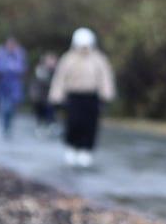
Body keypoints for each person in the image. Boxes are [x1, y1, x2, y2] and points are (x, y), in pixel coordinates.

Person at [49, 27, 115, 168]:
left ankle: (86, 150)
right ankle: (71, 148)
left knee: (90, 125)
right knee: (73, 123)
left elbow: (105, 78)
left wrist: (106, 95)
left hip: (91, 97)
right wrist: (56, 96)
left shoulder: (98, 59)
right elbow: (60, 78)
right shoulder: (68, 58)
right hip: (74, 96)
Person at [0, 37, 28, 139]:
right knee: (4, 108)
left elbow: (22, 68)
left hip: (15, 85)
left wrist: (10, 68)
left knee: (11, 109)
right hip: (3, 85)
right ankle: (5, 127)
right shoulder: (1, 54)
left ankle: (9, 126)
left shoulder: (19, 55)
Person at [30, 52, 59, 135]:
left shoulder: (57, 71)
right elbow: (38, 84)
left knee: (50, 108)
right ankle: (41, 126)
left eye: (53, 60)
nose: (52, 62)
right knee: (41, 111)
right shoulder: (41, 70)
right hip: (40, 96)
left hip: (51, 97)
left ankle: (50, 124)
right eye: (50, 60)